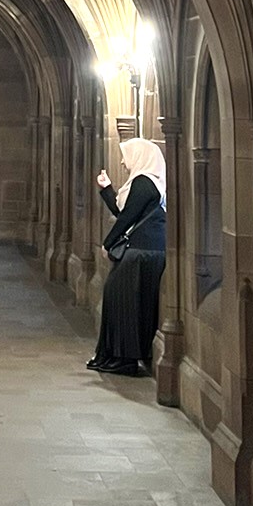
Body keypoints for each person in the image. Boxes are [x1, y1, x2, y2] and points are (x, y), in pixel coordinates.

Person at [86, 138, 167, 376]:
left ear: (140, 155)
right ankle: (116, 356)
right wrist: (107, 190)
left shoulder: (145, 183)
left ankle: (124, 358)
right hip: (143, 250)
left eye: (126, 155)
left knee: (121, 297)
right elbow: (125, 211)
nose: (122, 161)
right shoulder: (145, 184)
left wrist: (108, 242)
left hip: (144, 252)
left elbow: (127, 217)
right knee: (119, 297)